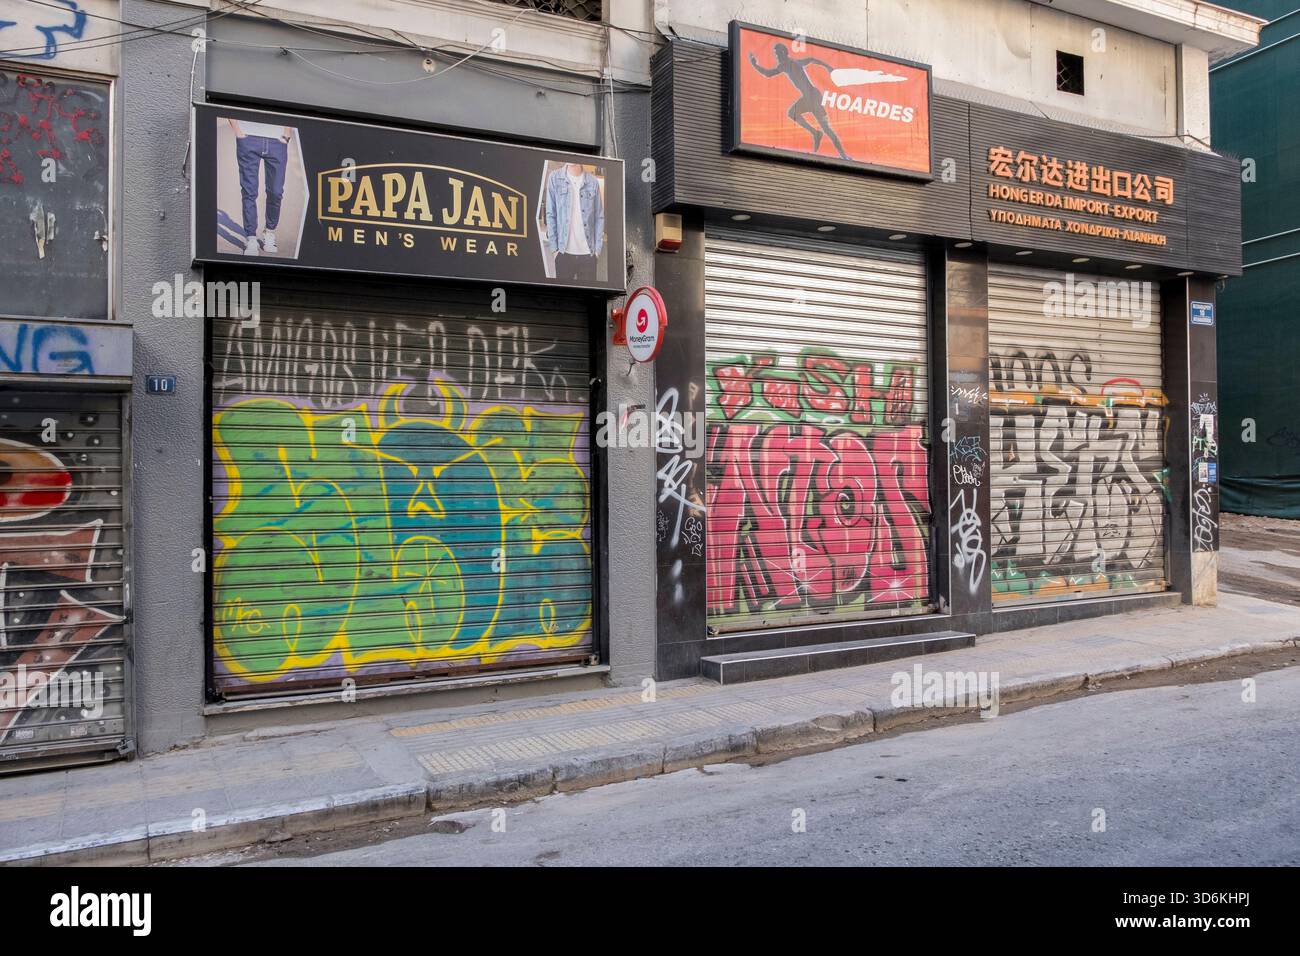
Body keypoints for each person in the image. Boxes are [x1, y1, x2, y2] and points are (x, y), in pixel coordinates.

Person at [748, 43, 849, 160]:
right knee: (792, 113)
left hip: (813, 97)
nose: (777, 57)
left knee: (826, 128)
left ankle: (843, 155)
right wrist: (827, 67)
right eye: (775, 54)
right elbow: (811, 59)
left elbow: (768, 73)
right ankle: (816, 133)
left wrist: (754, 65)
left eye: (778, 54)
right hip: (808, 98)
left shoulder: (785, 65)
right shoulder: (794, 62)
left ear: (784, 53)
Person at [227, 119, 293, 256]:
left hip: (277, 141)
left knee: (276, 191)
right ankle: (250, 237)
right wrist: (238, 131)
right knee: (249, 191)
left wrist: (287, 134)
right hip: (248, 138)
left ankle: (269, 232)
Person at [545, 162, 604, 283]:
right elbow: (551, 214)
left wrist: (597, 250)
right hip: (563, 253)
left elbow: (599, 216)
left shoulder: (592, 181)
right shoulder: (554, 178)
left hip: (588, 254)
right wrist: (554, 249)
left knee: (588, 299)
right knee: (564, 299)